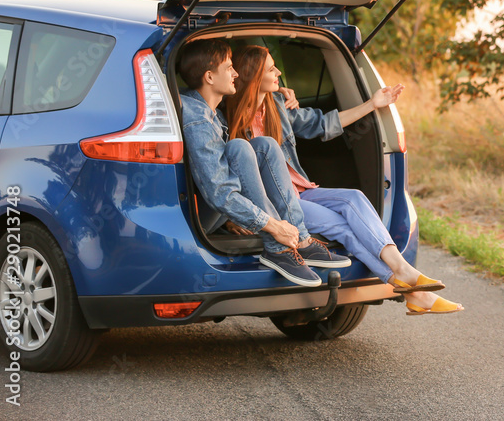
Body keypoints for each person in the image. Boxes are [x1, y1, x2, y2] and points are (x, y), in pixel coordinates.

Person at [222, 44, 463, 316]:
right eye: (270, 68)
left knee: (355, 198)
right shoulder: (224, 117)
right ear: (252, 76)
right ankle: (412, 288)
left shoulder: (278, 105)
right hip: (279, 205)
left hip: (301, 190)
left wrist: (373, 104)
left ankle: (404, 272)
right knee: (343, 228)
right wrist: (232, 217)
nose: (278, 72)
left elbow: (324, 124)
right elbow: (222, 179)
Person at [177, 38, 351, 288]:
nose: (235, 73)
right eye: (229, 67)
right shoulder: (198, 120)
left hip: (224, 205)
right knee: (239, 146)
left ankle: (301, 239)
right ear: (209, 77)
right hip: (205, 214)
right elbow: (220, 195)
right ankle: (278, 249)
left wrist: (276, 90)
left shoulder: (209, 109)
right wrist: (274, 227)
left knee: (264, 144)